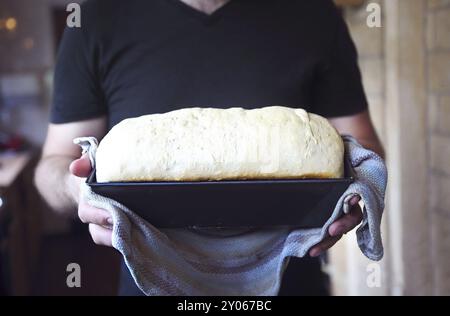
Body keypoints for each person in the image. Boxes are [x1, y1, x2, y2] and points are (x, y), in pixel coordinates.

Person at [35, 0, 384, 296]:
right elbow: (54, 162)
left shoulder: (313, 12)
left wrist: (355, 191)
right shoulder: (96, 16)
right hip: (152, 285)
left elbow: (362, 146)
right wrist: (77, 190)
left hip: (293, 279)